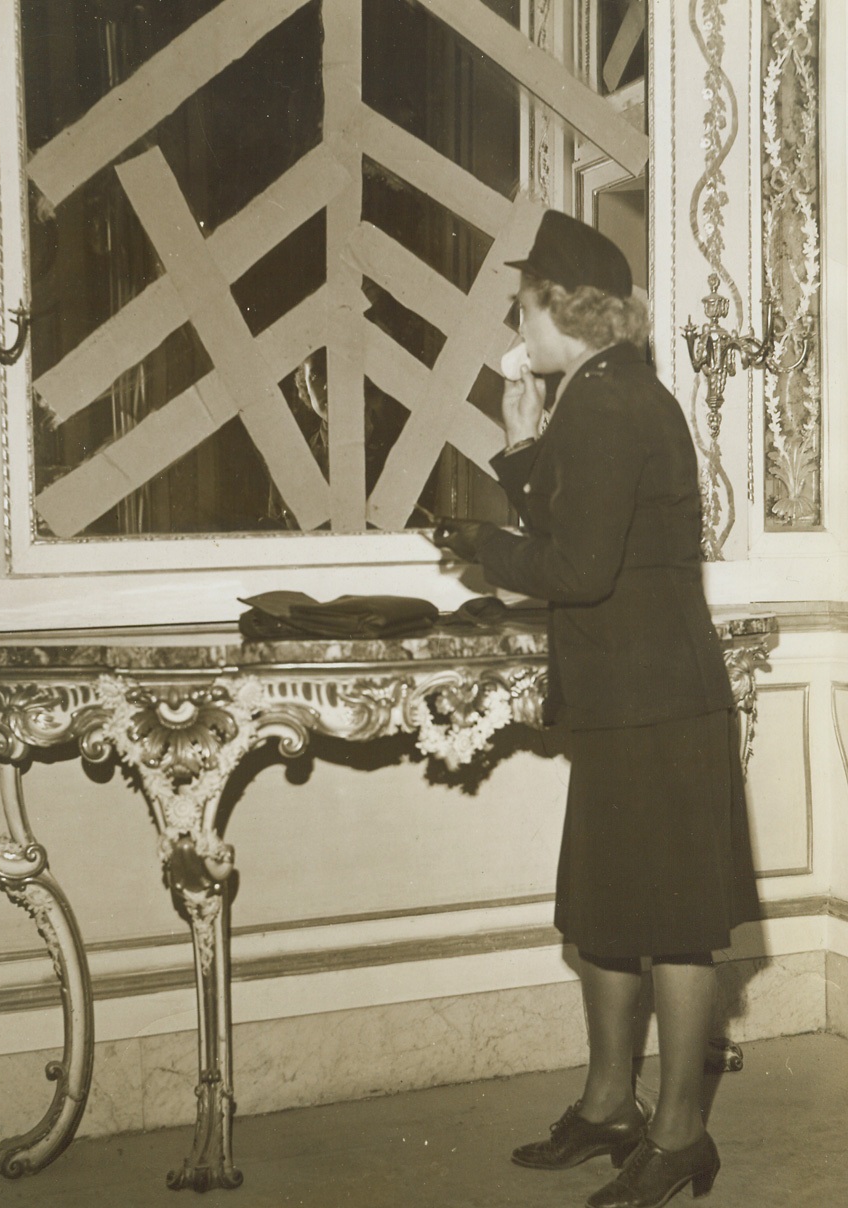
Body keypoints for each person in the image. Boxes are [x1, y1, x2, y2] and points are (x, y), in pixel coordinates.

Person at [434, 210, 760, 1208]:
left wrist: (475, 545)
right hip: (636, 696)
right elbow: (573, 523)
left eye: (523, 303)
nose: (516, 322)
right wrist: (517, 426)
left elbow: (572, 567)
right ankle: (612, 1106)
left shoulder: (613, 402)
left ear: (558, 306)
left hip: (655, 702)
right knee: (610, 912)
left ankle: (679, 1133)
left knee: (671, 921)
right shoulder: (598, 393)